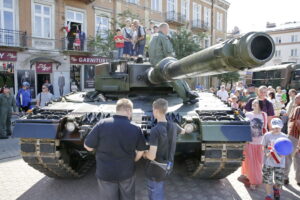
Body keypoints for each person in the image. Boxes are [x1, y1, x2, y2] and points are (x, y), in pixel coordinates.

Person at [84, 98, 147, 200]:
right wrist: (134, 159)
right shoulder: (135, 128)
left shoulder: (102, 124)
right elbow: (141, 151)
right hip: (126, 172)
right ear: (129, 111)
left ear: (117, 109)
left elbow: (88, 146)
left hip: (105, 173)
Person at [143, 98, 185, 200]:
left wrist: (144, 154)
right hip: (168, 165)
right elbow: (183, 131)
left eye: (153, 110)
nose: (152, 112)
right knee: (159, 189)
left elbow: (152, 155)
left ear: (156, 111)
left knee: (155, 193)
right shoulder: (174, 126)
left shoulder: (155, 130)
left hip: (156, 167)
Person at [240, 99, 267, 189]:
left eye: (256, 103)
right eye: (253, 103)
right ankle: (253, 181)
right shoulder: (248, 114)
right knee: (250, 162)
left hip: (259, 142)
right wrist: (244, 141)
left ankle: (253, 177)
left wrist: (266, 141)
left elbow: (265, 128)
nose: (253, 104)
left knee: (258, 162)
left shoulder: (264, 115)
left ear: (260, 105)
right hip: (249, 142)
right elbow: (244, 129)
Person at [261, 118, 288, 200]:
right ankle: (268, 195)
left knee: (279, 180)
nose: (277, 129)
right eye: (275, 127)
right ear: (271, 126)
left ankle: (276, 188)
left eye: (278, 127)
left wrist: (281, 155)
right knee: (267, 179)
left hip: (279, 162)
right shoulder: (267, 135)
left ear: (282, 127)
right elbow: (263, 146)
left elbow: (286, 149)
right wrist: (266, 153)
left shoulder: (284, 136)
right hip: (268, 161)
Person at [284, 93, 300, 186]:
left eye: (297, 98)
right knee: (298, 158)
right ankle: (298, 179)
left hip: (294, 136)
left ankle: (285, 177)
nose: (295, 99)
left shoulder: (298, 108)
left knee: (288, 157)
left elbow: (298, 123)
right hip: (295, 136)